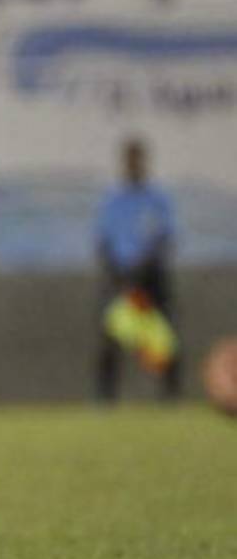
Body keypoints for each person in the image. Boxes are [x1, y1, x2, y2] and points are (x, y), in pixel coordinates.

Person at [94, 136, 180, 400]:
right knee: (111, 338)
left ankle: (170, 396)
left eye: (138, 159)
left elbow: (166, 238)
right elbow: (103, 241)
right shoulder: (113, 201)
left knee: (165, 339)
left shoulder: (157, 199)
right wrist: (119, 275)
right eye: (130, 160)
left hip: (152, 280)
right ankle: (105, 398)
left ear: (144, 162)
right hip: (122, 281)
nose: (134, 165)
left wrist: (146, 266)